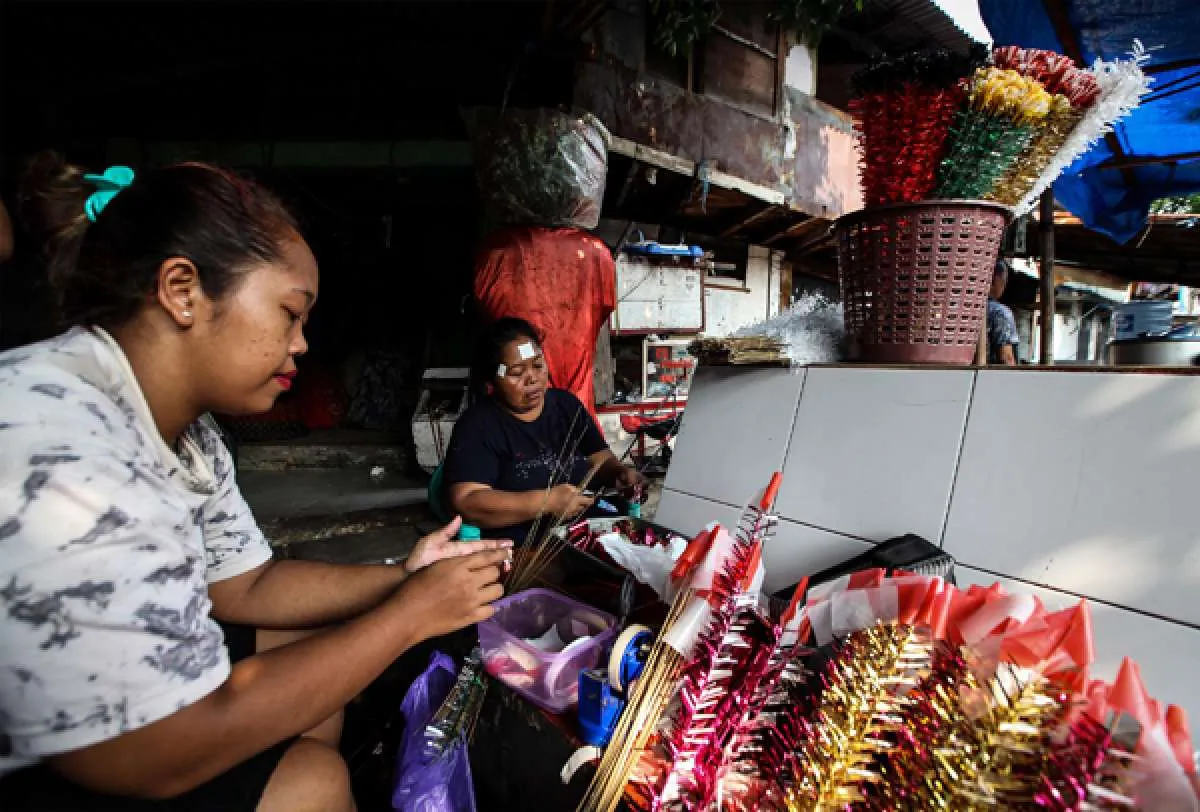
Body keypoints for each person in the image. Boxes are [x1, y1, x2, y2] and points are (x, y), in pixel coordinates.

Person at [0, 153, 512, 812]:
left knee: (315, 685)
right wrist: (410, 617)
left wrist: (410, 578)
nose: (301, 344)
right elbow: (157, 750)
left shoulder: (189, 432)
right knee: (313, 784)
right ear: (182, 290)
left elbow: (245, 584)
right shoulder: (67, 448)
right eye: (289, 314)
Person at [442, 317, 647, 545]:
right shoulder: (478, 425)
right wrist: (547, 502)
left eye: (538, 365)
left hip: (589, 533)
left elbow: (600, 459)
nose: (533, 378)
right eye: (517, 372)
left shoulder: (566, 406)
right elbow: (467, 501)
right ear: (493, 379)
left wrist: (619, 472)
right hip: (527, 548)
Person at [988, 258, 1020, 365]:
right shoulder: (1000, 312)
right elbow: (1006, 357)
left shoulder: (964, 307)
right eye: (1005, 280)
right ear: (996, 279)